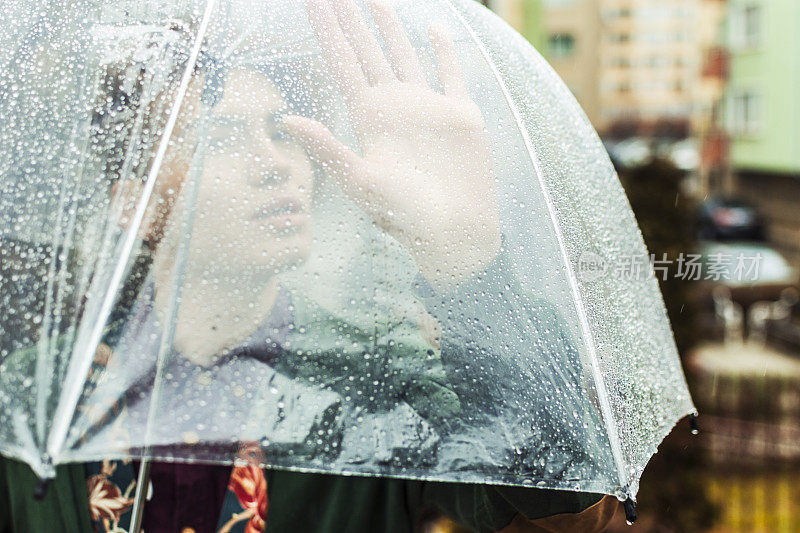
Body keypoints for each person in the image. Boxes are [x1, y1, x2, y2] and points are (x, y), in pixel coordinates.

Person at [0, 0, 619, 531]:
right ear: (135, 203)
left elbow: (568, 510)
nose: (277, 162)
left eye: (282, 131)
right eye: (221, 137)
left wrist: (468, 261)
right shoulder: (35, 392)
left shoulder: (376, 373)